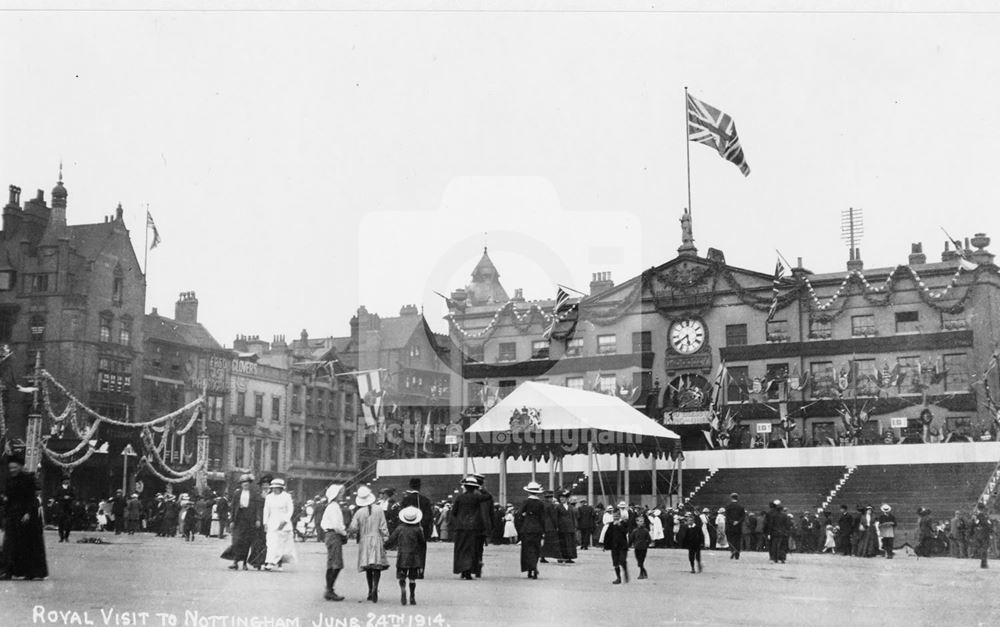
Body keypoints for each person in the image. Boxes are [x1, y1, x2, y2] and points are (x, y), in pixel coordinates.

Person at [0, 454, 47, 580]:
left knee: (27, 544)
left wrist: (28, 513)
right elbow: (8, 498)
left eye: (15, 467)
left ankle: (31, 572)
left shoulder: (28, 479)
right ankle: (7, 571)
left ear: (20, 467)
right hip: (13, 514)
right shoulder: (9, 480)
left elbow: (31, 498)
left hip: (27, 515)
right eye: (10, 468)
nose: (12, 470)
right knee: (9, 544)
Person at [348, 486, 390, 602]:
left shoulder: (359, 512)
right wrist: (386, 538)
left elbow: (353, 528)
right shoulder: (379, 510)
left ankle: (370, 589)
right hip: (377, 539)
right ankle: (375, 588)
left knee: (368, 567)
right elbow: (383, 527)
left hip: (365, 540)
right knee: (377, 566)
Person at [385, 506, 426, 606]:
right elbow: (422, 543)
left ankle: (403, 589)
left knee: (402, 576)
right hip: (414, 557)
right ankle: (412, 596)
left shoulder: (400, 528)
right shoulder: (418, 529)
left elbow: (391, 540)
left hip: (402, 556)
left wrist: (385, 546)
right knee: (412, 578)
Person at [449, 476, 488, 580]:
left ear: (465, 486)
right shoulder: (477, 498)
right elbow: (488, 496)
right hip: (473, 526)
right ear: (474, 487)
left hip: (461, 527)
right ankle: (469, 571)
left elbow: (454, 512)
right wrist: (481, 488)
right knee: (471, 549)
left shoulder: (459, 498)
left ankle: (462, 570)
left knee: (461, 549)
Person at [222, 474, 263, 570]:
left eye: (247, 482)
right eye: (243, 482)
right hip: (239, 519)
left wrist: (258, 519)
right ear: (241, 484)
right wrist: (232, 520)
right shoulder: (237, 493)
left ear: (250, 484)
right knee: (236, 541)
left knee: (247, 542)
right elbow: (233, 508)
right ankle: (235, 562)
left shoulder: (254, 493)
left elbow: (257, 508)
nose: (245, 484)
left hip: (250, 520)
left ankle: (244, 563)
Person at [399, 477, 434, 567]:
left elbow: (401, 515)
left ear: (410, 486)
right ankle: (420, 569)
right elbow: (429, 517)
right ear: (420, 487)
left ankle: (406, 567)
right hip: (421, 528)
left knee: (407, 549)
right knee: (421, 549)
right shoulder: (425, 500)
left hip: (407, 529)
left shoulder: (406, 500)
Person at [320, 484, 347, 601]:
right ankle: (329, 590)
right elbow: (337, 525)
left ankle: (329, 589)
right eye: (340, 493)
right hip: (335, 535)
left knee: (331, 562)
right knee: (337, 563)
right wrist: (344, 533)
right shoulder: (335, 507)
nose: (342, 495)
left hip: (329, 535)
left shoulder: (330, 506)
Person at [263, 478, 297, 570]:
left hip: (283, 522)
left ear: (281, 488)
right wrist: (265, 523)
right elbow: (266, 510)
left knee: (281, 544)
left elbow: (290, 510)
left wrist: (285, 521)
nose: (274, 489)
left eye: (277, 488)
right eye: (273, 488)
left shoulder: (286, 496)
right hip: (272, 522)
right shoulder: (269, 497)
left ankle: (279, 563)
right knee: (271, 543)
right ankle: (270, 562)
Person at [517, 481, 545, 579]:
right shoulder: (541, 503)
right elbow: (543, 518)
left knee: (527, 549)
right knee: (536, 548)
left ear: (528, 492)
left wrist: (522, 523)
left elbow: (519, 514)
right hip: (538, 529)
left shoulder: (526, 502)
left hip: (527, 528)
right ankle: (534, 566)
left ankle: (530, 568)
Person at [603, 510, 631, 584]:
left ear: (620, 516)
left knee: (622, 560)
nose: (616, 518)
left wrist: (620, 525)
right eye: (614, 516)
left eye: (617, 516)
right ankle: (618, 578)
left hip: (622, 546)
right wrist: (605, 545)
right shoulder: (611, 525)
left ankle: (625, 571)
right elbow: (607, 535)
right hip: (614, 547)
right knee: (615, 563)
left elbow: (626, 532)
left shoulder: (624, 523)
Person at [678, 510, 703, 574]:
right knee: (691, 557)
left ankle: (699, 565)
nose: (690, 522)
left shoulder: (697, 527)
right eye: (689, 520)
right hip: (690, 545)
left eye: (691, 520)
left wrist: (702, 543)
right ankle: (692, 568)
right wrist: (684, 544)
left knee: (697, 556)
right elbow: (686, 537)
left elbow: (701, 535)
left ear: (693, 521)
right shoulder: (687, 528)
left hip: (697, 544)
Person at [969, 502, 993, 569]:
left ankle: (974, 553)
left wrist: (971, 534)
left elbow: (972, 525)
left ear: (978, 508)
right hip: (985, 534)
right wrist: (991, 532)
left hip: (978, 534)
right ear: (984, 508)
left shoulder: (975, 516)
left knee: (981, 548)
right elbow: (988, 525)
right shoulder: (985, 516)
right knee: (984, 549)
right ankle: (984, 564)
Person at [556, 490, 578, 564]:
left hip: (570, 527)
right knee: (562, 543)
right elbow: (556, 517)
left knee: (570, 543)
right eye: (560, 497)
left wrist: (574, 526)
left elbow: (573, 517)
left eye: (563, 497)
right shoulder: (558, 507)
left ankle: (569, 557)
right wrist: (556, 526)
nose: (561, 499)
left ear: (566, 498)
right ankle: (561, 557)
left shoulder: (570, 507)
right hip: (561, 528)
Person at [54, 476, 76, 543]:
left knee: (69, 523)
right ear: (62, 481)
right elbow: (55, 497)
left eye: (68, 480)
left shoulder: (71, 488)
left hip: (69, 508)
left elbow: (74, 496)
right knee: (61, 523)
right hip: (61, 508)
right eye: (66, 480)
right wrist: (63, 497)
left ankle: (66, 537)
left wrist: (69, 497)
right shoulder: (59, 489)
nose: (67, 481)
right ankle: (61, 537)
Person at [724, 493, 746, 560]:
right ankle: (737, 555)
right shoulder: (741, 506)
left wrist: (732, 521)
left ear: (731, 498)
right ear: (737, 498)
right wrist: (738, 521)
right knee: (738, 540)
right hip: (738, 526)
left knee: (730, 539)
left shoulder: (728, 506)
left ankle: (732, 550)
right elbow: (743, 516)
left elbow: (727, 516)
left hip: (730, 526)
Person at [632, 515, 651, 579]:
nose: (641, 523)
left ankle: (641, 574)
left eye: (642, 521)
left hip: (643, 548)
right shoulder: (635, 531)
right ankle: (644, 571)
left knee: (641, 561)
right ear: (637, 522)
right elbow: (632, 538)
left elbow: (649, 539)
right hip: (637, 548)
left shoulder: (646, 530)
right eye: (639, 521)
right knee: (639, 562)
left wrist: (646, 544)